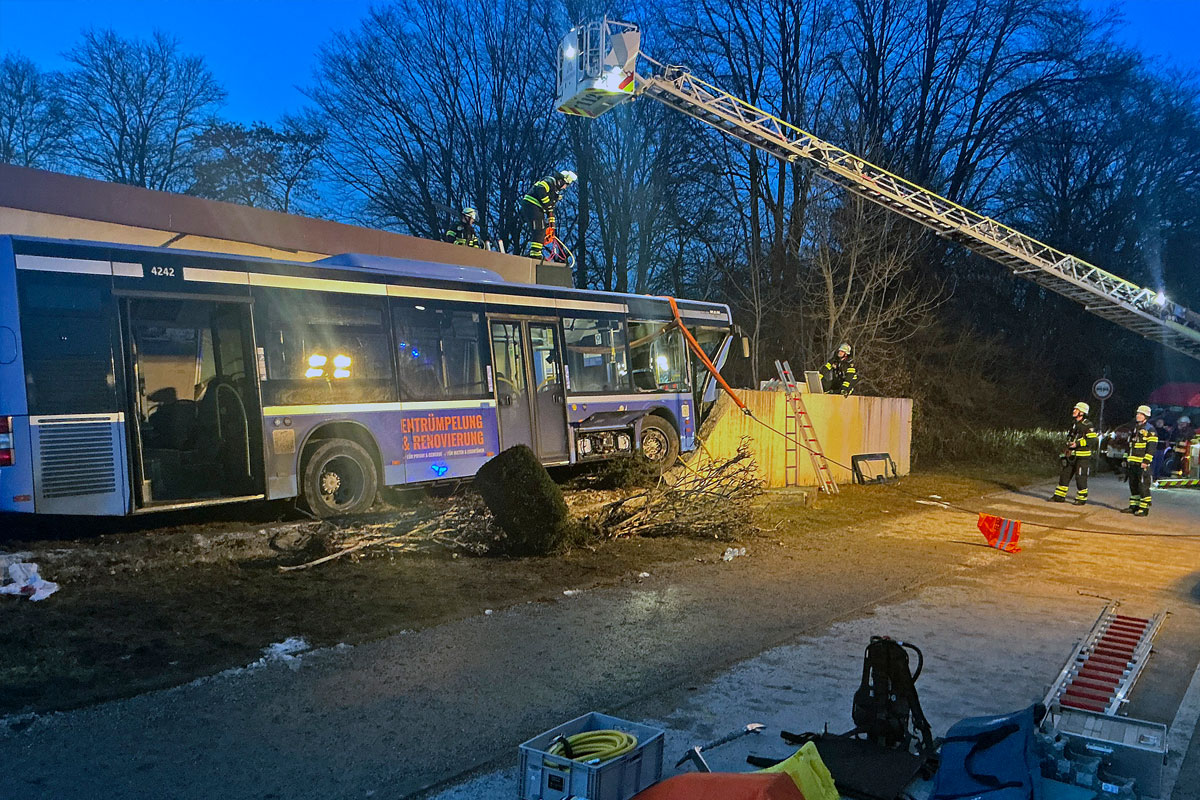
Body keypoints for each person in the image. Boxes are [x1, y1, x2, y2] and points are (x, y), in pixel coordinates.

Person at [522, 169, 576, 259]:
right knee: (539, 228)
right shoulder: (550, 181)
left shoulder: (555, 193)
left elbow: (550, 210)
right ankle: (535, 254)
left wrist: (552, 225)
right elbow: (541, 189)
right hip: (532, 204)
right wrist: (547, 204)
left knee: (542, 229)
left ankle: (535, 252)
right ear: (561, 181)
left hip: (537, 208)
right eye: (566, 185)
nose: (565, 188)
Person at [1051, 401, 1097, 505]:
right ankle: (1059, 496)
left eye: (1076, 409)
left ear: (1082, 412)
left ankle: (1081, 498)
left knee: (1080, 478)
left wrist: (1077, 444)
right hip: (1071, 456)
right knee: (1064, 475)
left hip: (1082, 457)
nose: (1074, 411)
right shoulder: (1074, 424)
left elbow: (1093, 440)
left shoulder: (1087, 425)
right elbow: (1070, 437)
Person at [1122, 404, 1157, 516]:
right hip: (1132, 463)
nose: (1137, 415)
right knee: (1133, 485)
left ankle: (1144, 508)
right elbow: (1129, 445)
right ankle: (1134, 506)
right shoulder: (1134, 429)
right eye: (1137, 413)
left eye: (1140, 414)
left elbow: (1151, 448)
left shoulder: (1150, 430)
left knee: (1143, 486)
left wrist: (1146, 462)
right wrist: (1125, 458)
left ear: (1146, 416)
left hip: (1142, 463)